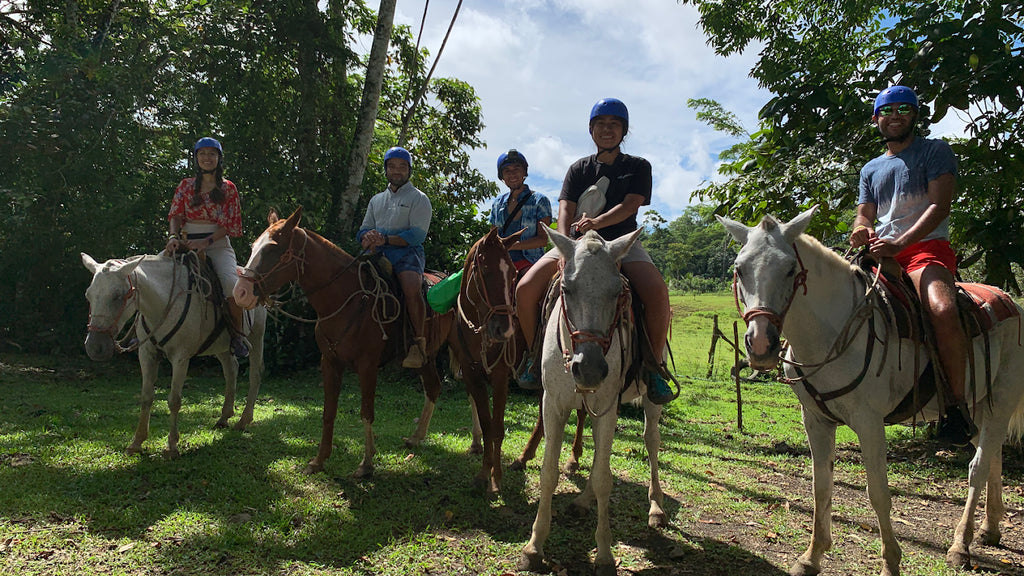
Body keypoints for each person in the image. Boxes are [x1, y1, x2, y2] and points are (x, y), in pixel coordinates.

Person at [514, 98, 675, 404]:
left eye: (614, 124)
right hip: (575, 246)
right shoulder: (578, 169)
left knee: (657, 293)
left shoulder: (638, 167)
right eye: (600, 124)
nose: (607, 130)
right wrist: (563, 246)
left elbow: (631, 206)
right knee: (525, 289)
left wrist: (596, 222)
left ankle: (654, 368)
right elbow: (565, 208)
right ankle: (535, 357)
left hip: (621, 245)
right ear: (590, 130)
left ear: (623, 131)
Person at [849, 85, 976, 446]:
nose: (895, 116)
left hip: (924, 250)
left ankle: (955, 407)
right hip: (879, 253)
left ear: (915, 115)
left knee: (942, 308)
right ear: (876, 119)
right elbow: (864, 214)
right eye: (887, 111)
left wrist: (901, 243)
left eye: (903, 108)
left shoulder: (935, 151)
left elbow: (940, 205)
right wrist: (862, 231)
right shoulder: (871, 168)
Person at [165, 136, 248, 358]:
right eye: (202, 154)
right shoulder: (185, 185)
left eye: (212, 154)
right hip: (185, 241)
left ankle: (237, 336)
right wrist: (173, 236)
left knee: (230, 283)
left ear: (219, 158)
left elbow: (229, 225)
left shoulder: (228, 188)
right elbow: (175, 214)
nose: (207, 158)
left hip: (217, 244)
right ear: (196, 158)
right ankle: (141, 331)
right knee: (151, 274)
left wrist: (206, 242)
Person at [358, 146, 432, 369]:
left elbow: (417, 234)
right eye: (392, 166)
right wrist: (367, 236)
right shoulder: (376, 200)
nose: (396, 171)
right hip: (376, 252)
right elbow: (363, 229)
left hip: (407, 254)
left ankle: (418, 343)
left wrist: (385, 239)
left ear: (409, 170)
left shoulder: (419, 198)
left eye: (402, 166)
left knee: (411, 288)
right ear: (386, 170)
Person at [488, 149, 553, 275]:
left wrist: (511, 245)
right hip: (501, 262)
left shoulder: (539, 200)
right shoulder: (497, 203)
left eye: (516, 169)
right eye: (507, 171)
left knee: (524, 287)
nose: (512, 174)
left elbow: (543, 239)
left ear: (524, 172)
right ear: (502, 176)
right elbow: (493, 236)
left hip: (530, 262)